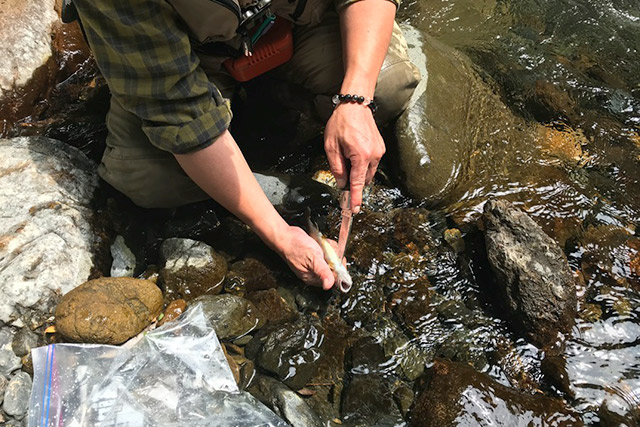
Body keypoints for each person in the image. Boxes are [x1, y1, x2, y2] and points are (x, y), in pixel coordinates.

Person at [72, 0, 420, 290]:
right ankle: (252, 159)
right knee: (148, 178)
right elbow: (180, 115)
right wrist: (279, 234)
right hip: (195, 56)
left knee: (386, 87)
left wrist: (355, 100)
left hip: (294, 24)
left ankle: (275, 92)